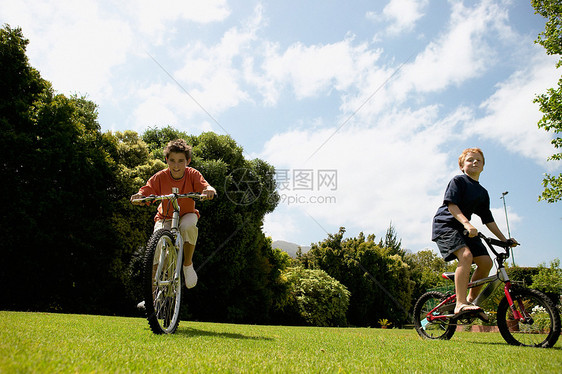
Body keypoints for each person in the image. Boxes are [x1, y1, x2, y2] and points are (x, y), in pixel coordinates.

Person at [432, 147, 517, 318]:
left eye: (478, 160)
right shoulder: (458, 181)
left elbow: (488, 220)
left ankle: (470, 301)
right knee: (466, 256)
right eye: (470, 160)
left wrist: (505, 239)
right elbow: (452, 205)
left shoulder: (483, 193)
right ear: (462, 166)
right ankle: (460, 303)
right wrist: (467, 223)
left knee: (486, 263)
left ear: (483, 166)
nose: (475, 162)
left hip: (465, 229)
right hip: (446, 225)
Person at [130, 139, 216, 290]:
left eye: (181, 161)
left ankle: (187, 265)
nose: (176, 166)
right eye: (172, 161)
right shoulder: (160, 176)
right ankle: (151, 294)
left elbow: (205, 185)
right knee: (156, 247)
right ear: (166, 160)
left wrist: (209, 190)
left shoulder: (192, 174)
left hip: (187, 214)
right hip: (165, 217)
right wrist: (139, 196)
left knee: (188, 226)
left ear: (188, 161)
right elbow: (146, 190)